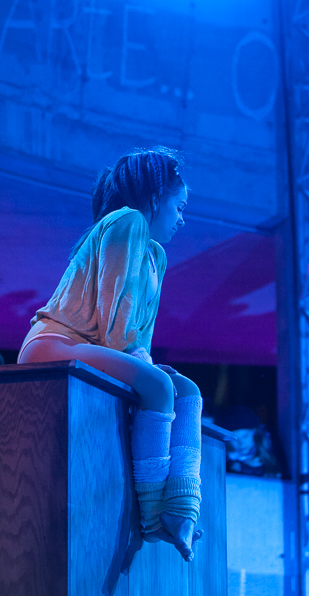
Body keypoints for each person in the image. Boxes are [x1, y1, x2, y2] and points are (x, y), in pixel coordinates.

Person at [18, 147, 202, 562]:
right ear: (155, 197)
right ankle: (154, 516)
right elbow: (114, 316)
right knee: (159, 387)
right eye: (179, 207)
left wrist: (145, 364)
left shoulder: (156, 255)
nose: (181, 218)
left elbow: (139, 334)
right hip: (55, 345)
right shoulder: (126, 222)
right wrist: (145, 370)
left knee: (185, 390)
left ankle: (182, 506)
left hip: (90, 348)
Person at [215, 405, 282, 478]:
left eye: (245, 436)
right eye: (234, 439)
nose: (241, 443)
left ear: (254, 432)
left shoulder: (269, 454)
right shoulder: (222, 459)